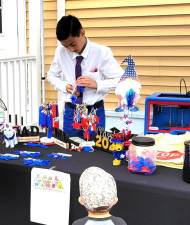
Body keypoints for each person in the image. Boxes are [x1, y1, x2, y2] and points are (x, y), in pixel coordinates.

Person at [47, 15, 124, 138]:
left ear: (82, 33)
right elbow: (51, 75)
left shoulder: (101, 52)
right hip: (71, 110)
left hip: (94, 111)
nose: (70, 49)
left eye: (72, 44)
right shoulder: (60, 52)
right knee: (70, 145)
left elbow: (122, 80)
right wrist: (64, 86)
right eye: (65, 46)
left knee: (95, 148)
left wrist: (97, 84)